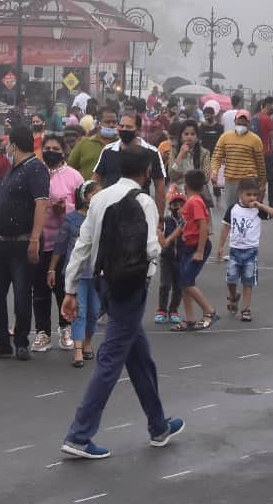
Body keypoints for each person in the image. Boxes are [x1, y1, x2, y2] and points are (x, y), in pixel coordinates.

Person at [59, 146, 184, 459]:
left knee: (139, 357)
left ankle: (158, 425)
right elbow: (153, 249)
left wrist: (70, 288)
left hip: (104, 281)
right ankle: (79, 434)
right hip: (132, 285)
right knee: (111, 359)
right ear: (145, 174)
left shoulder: (98, 198)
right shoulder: (143, 201)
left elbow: (83, 247)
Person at [0, 126, 50, 361]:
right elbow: (5, 206)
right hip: (1, 242)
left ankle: (20, 341)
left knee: (21, 294)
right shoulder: (12, 170)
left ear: (14, 146)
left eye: (7, 144)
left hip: (22, 241)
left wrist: (35, 239)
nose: (5, 148)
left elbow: (41, 204)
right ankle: (1, 341)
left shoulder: (36, 169)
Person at [31, 134, 84, 353]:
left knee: (63, 289)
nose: (51, 151)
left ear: (63, 151)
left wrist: (66, 208)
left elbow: (83, 209)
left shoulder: (74, 176)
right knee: (40, 290)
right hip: (39, 241)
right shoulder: (35, 172)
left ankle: (65, 329)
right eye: (47, 148)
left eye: (55, 148)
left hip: (63, 244)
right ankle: (42, 333)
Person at [49, 181, 103, 367]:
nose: (98, 196)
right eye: (94, 193)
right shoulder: (71, 219)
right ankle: (78, 350)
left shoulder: (102, 219)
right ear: (84, 196)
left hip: (97, 273)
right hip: (77, 274)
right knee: (79, 311)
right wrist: (51, 268)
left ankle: (87, 342)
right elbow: (60, 246)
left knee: (94, 312)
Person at [215, 179, 273, 322]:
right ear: (240, 194)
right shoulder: (233, 209)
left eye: (255, 195)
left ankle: (246, 309)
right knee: (231, 279)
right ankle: (233, 296)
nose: (252, 198)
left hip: (251, 252)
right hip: (235, 251)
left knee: (247, 281)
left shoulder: (257, 210)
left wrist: (260, 205)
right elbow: (226, 227)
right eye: (248, 194)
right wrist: (220, 247)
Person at [92, 112, 168, 218]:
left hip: (139, 210)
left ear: (137, 129)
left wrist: (160, 219)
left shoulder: (152, 152)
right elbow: (96, 180)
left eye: (129, 127)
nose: (124, 129)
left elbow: (160, 187)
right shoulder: (108, 151)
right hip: (109, 210)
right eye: (122, 126)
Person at [175, 168, 219, 330]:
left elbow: (203, 226)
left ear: (186, 184)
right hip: (188, 245)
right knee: (184, 282)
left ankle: (209, 310)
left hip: (196, 246)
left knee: (187, 281)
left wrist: (200, 251)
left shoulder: (195, 201)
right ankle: (190, 318)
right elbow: (189, 223)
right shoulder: (192, 200)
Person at [209, 109, 267, 213]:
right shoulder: (225, 137)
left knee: (248, 210)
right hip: (231, 180)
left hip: (249, 180)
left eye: (245, 122)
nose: (241, 124)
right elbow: (217, 156)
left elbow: (260, 163)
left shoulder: (255, 140)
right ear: (235, 121)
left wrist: (262, 182)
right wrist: (214, 171)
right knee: (231, 211)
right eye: (239, 121)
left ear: (249, 123)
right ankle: (232, 229)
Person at [155, 187, 187, 325]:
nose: (178, 207)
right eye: (175, 204)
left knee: (178, 285)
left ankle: (174, 309)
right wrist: (160, 235)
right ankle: (161, 310)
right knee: (165, 284)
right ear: (171, 206)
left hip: (181, 257)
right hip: (166, 257)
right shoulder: (167, 221)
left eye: (181, 204)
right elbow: (160, 235)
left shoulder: (187, 222)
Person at [166, 119, 212, 190]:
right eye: (186, 134)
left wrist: (183, 180)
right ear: (181, 137)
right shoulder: (174, 151)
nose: (189, 137)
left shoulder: (204, 153)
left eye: (192, 134)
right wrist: (181, 155)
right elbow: (171, 175)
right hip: (178, 193)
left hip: (197, 192)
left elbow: (205, 178)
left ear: (197, 137)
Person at [67, 112, 108, 179]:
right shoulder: (84, 143)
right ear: (98, 124)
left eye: (114, 122)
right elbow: (70, 168)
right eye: (107, 122)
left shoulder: (121, 144)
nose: (111, 125)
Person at [256, 97, 273, 208]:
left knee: (259, 179)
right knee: (272, 179)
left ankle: (257, 201)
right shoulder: (267, 119)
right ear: (268, 105)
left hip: (257, 153)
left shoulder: (255, 117)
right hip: (267, 153)